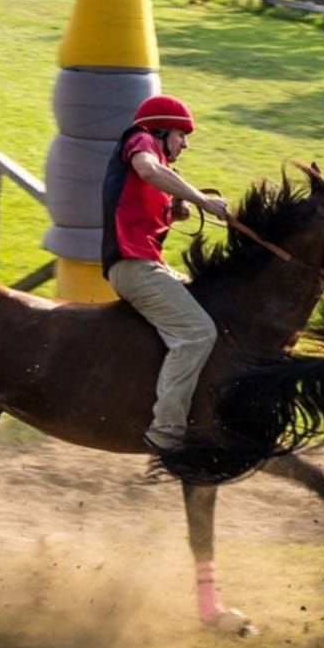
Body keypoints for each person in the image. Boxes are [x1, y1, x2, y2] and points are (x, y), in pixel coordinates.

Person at [107, 94, 231, 451]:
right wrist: (202, 200)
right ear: (161, 131)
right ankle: (166, 432)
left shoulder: (154, 157)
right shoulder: (140, 140)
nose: (185, 144)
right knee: (197, 333)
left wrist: (173, 212)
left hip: (145, 265)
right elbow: (148, 170)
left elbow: (143, 201)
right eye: (181, 135)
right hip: (134, 268)